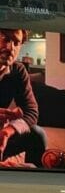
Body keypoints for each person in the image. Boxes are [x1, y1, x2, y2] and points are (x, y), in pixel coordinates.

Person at [0, 28, 46, 166]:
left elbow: (31, 112)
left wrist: (7, 132)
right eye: (5, 39)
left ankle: (33, 183)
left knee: (37, 134)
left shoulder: (18, 71)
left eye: (16, 42)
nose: (11, 48)